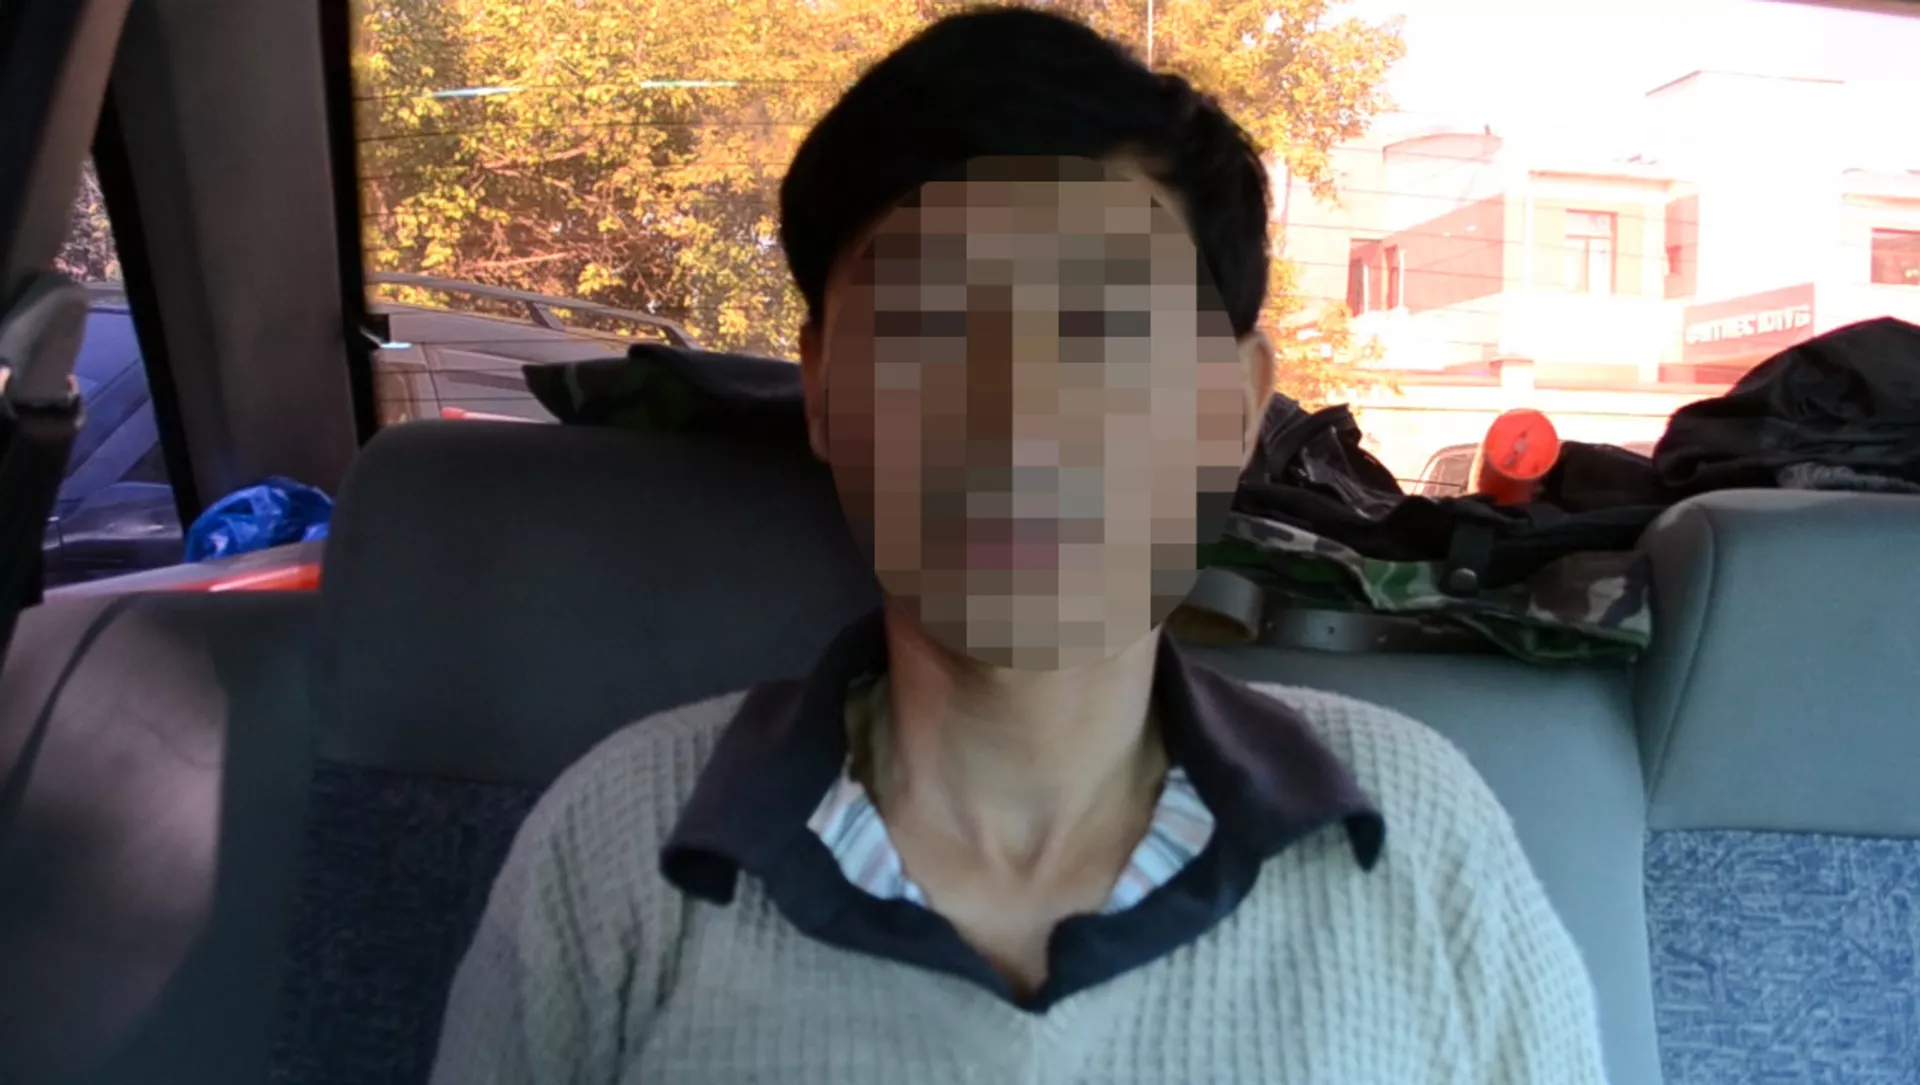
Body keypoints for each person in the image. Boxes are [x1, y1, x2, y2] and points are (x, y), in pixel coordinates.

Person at [428, 7, 1609, 1083]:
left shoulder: (1417, 830)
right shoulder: (620, 843)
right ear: (826, 393)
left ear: (1233, 408)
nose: (1016, 414)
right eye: (931, 325)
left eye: (1105, 329)